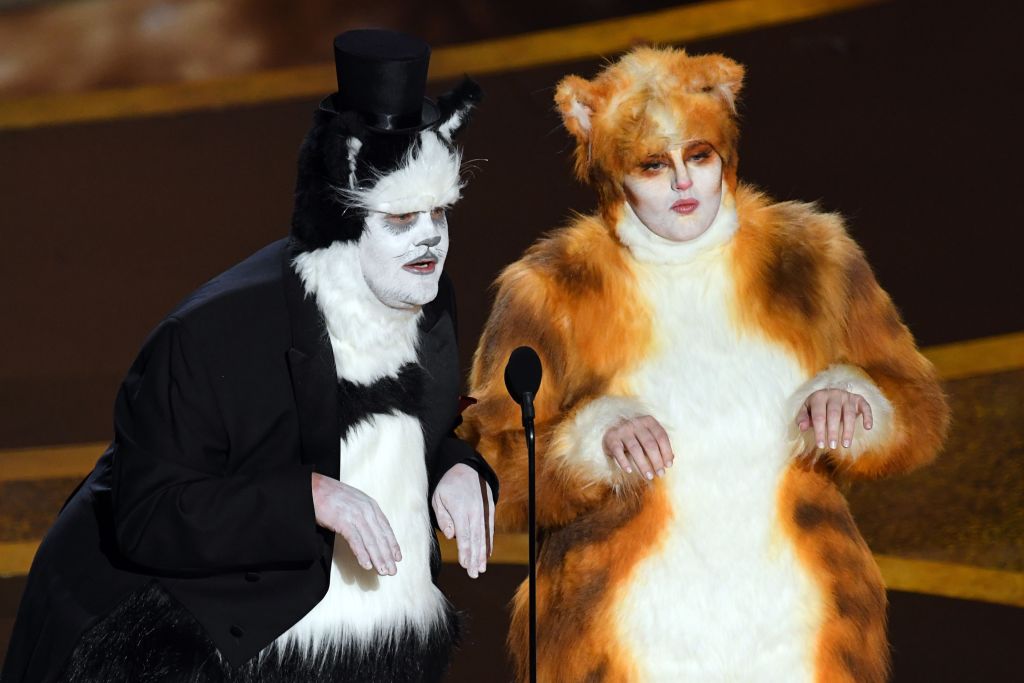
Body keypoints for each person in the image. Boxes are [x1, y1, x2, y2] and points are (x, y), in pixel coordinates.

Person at [2, 29, 497, 683]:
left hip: (372, 631)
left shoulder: (428, 300)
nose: (430, 238)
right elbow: (150, 515)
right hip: (204, 636)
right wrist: (311, 499)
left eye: (438, 212)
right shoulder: (209, 337)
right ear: (340, 228)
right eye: (401, 220)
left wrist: (455, 470)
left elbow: (408, 436)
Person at [460, 46, 948, 682]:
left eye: (699, 156)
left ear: (726, 155)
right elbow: (487, 462)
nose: (684, 183)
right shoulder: (552, 290)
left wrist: (860, 399)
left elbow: (918, 408)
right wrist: (591, 438)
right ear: (613, 175)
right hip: (625, 638)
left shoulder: (815, 260)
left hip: (801, 630)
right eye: (653, 165)